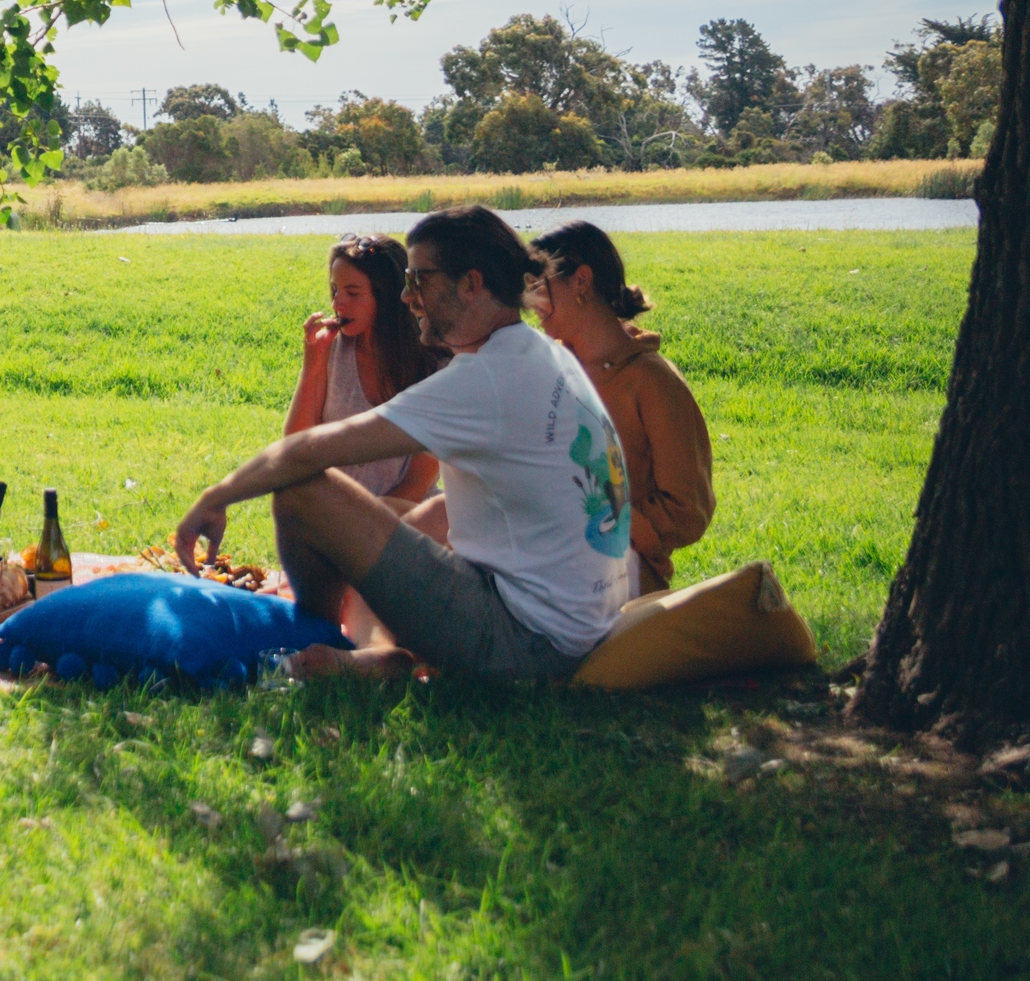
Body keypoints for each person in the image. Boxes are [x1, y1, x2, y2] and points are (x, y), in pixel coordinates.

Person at [172, 206, 634, 681]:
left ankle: (321, 637)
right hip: (584, 624)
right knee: (432, 514)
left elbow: (307, 452)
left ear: (471, 284)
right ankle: (377, 655)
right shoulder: (541, 354)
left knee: (301, 490)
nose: (407, 297)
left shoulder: (484, 379)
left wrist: (216, 496)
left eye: (419, 281)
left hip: (530, 647)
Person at [528, 220, 714, 593]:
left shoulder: (652, 380)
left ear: (581, 281)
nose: (530, 303)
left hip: (623, 569)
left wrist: (602, 527)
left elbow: (687, 509)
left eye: (538, 288)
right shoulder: (548, 369)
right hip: (542, 554)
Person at [282, 232, 445, 506]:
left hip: (409, 520)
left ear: (389, 297)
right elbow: (297, 447)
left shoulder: (434, 364)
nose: (336, 304)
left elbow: (418, 482)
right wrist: (313, 363)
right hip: (337, 514)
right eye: (335, 290)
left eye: (353, 293)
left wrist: (362, 532)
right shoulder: (334, 349)